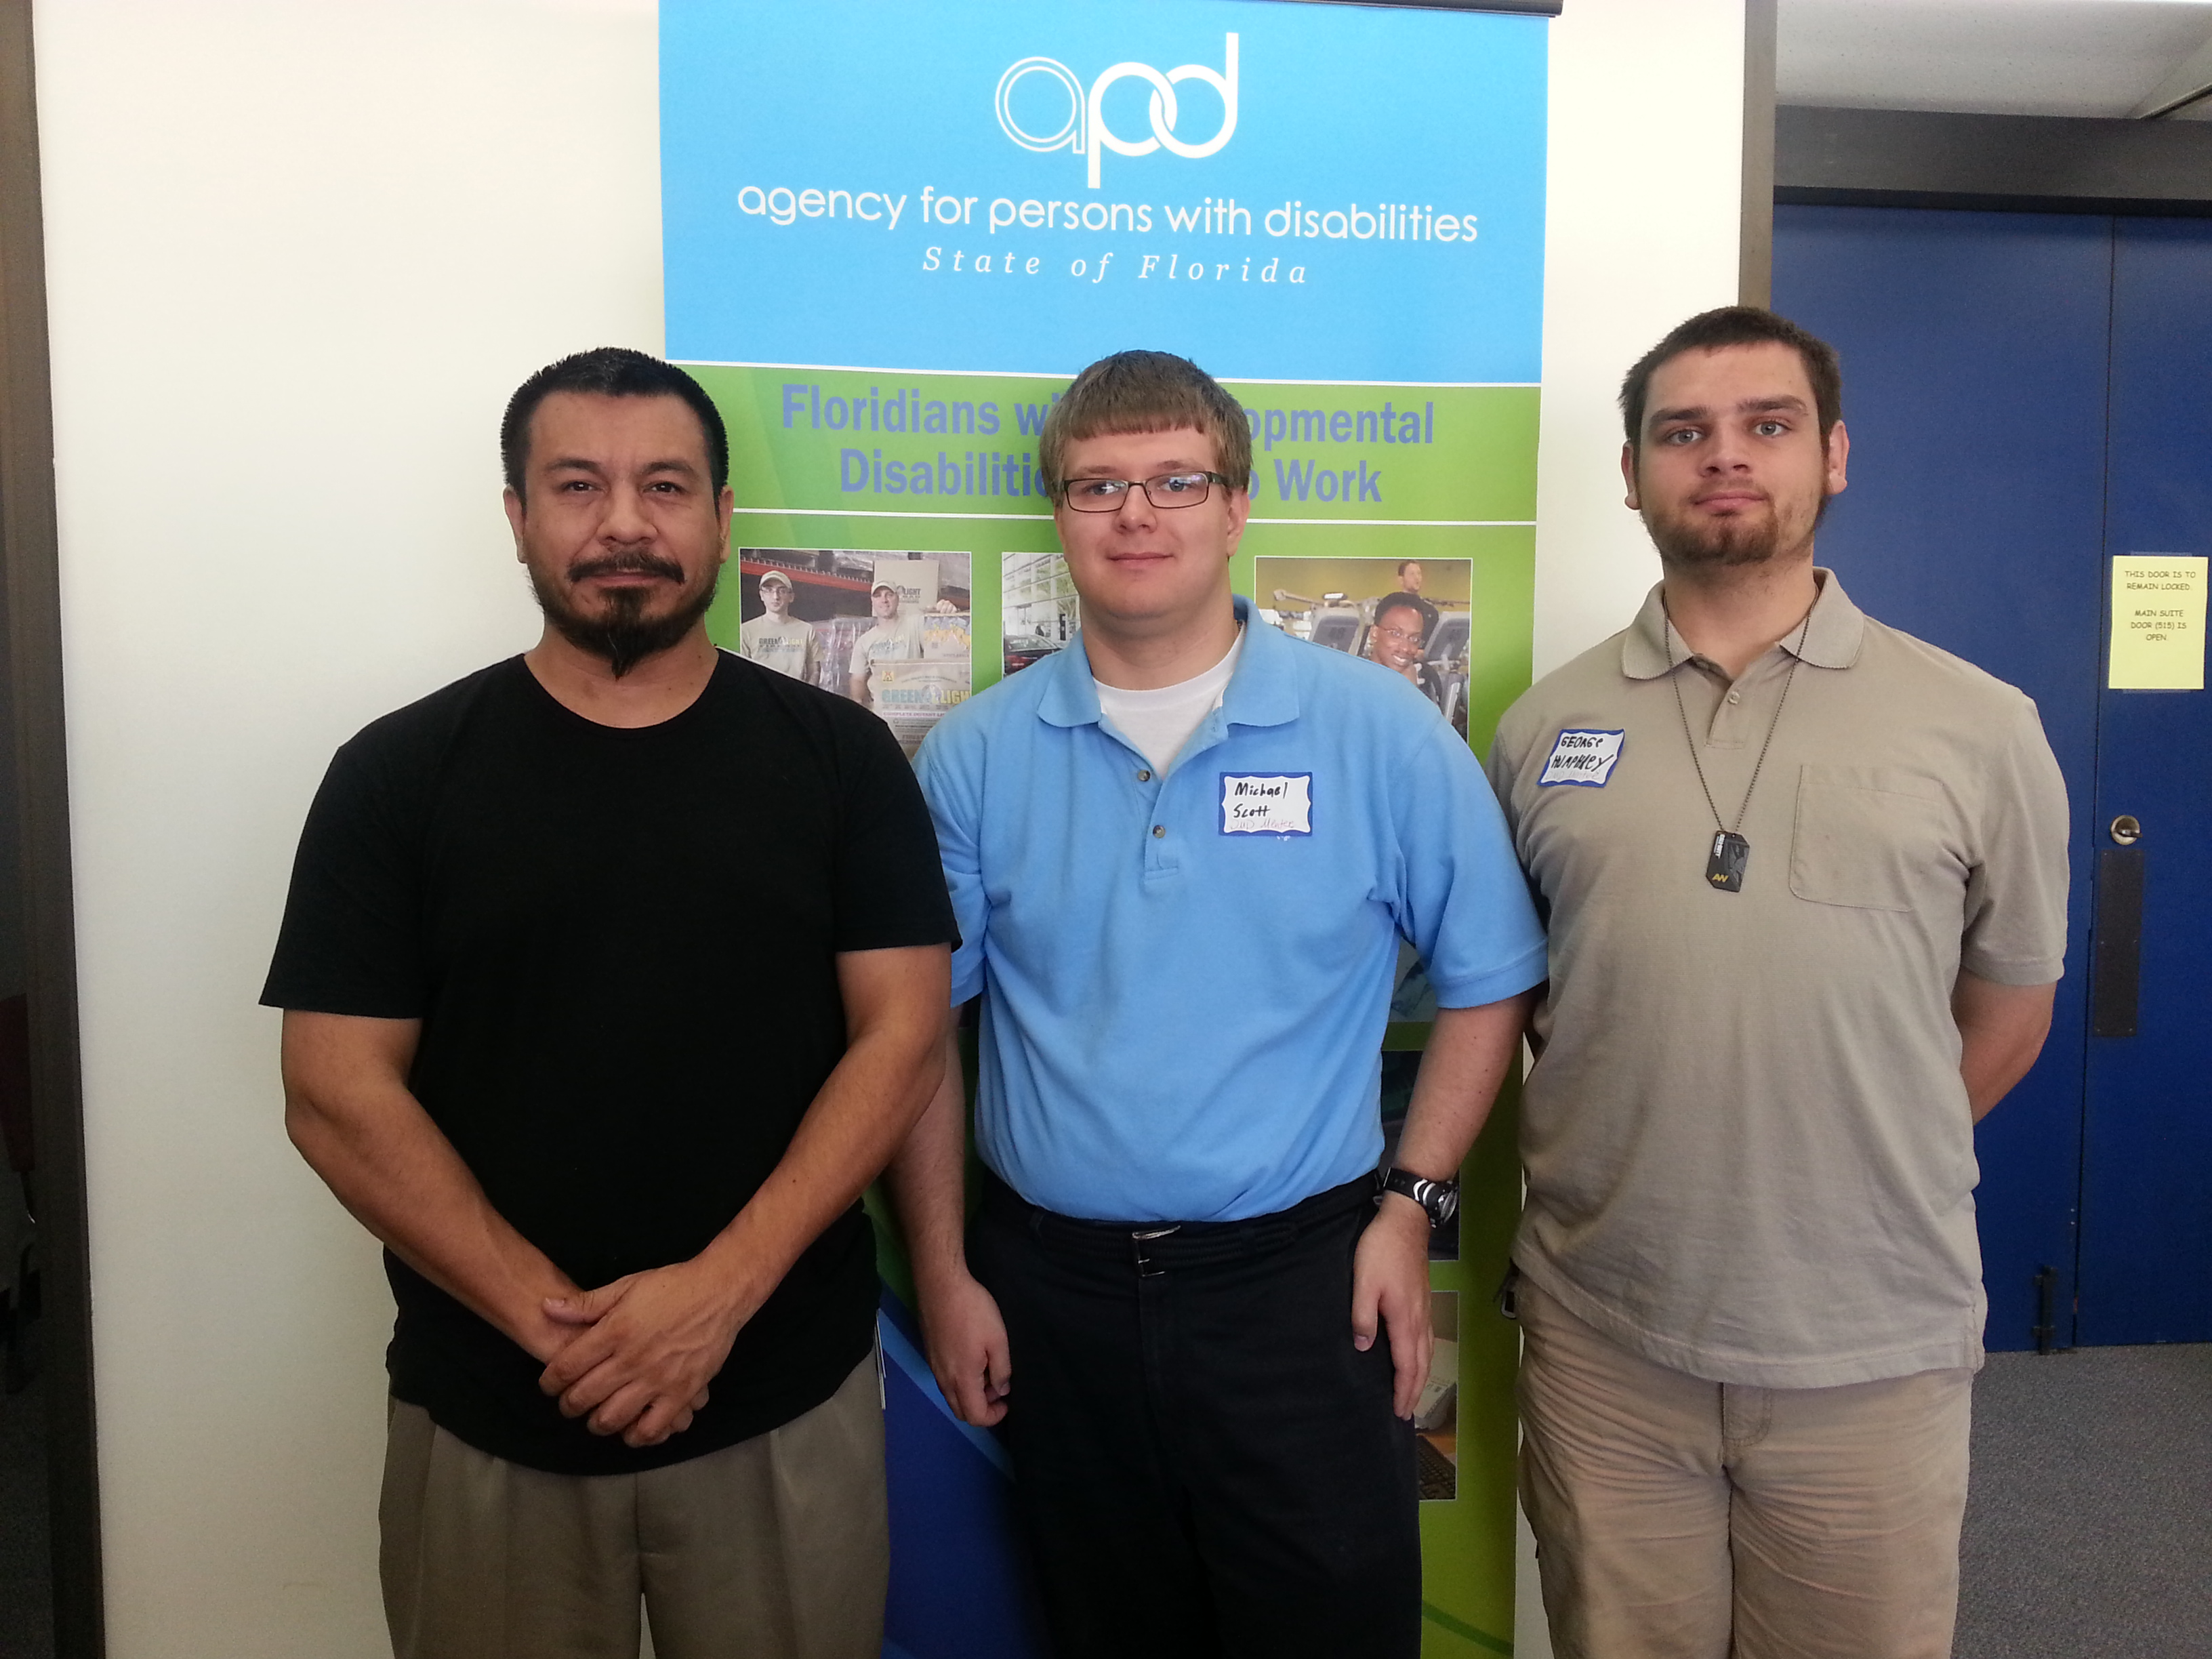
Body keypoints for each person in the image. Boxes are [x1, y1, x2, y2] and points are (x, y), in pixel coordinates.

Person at [262, 346, 955, 1659]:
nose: (625, 524)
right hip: (492, 1410)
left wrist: (716, 1297)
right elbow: (334, 1093)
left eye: (665, 487)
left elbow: (905, 1034)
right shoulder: (399, 776)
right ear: (518, 516)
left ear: (722, 517)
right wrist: (559, 1326)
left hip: (780, 1403)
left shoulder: (838, 764)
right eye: (578, 487)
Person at [889, 349, 1547, 1659]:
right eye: (1098, 486)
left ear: (1236, 506)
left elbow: (1490, 977)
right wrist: (944, 1266)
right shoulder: (974, 752)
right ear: (1058, 513)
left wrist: (1408, 1208)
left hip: (1302, 1290)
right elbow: (918, 1041)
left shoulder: (1378, 731)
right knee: (1101, 1630)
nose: (1137, 513)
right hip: (1050, 1300)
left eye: (1175, 479)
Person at [1486, 307, 2068, 1659]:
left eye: (1768, 425)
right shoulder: (1542, 728)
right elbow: (1519, 1005)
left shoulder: (1979, 727)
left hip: (1870, 1345)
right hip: (1604, 1344)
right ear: (1631, 474)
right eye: (1682, 433)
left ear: (1836, 456)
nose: (1724, 458)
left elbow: (2012, 1013)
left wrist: (1847, 1161)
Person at [1368, 590, 1464, 738]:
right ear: (1374, 633)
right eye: (1395, 634)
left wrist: (1412, 693)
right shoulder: (1355, 684)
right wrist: (1405, 695)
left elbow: (1430, 741)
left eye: (1414, 639)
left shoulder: (1427, 680)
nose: (1406, 648)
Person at [846, 579, 922, 708]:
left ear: (897, 598)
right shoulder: (864, 642)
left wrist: (944, 609)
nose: (884, 600)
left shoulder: (915, 624)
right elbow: (858, 679)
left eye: (889, 595)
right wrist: (859, 707)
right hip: (882, 711)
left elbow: (938, 630)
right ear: (872, 601)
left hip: (914, 707)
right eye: (878, 596)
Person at [737, 566, 819, 682]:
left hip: (795, 697)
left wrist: (806, 698)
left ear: (791, 597)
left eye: (782, 590)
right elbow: (742, 672)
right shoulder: (746, 631)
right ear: (761, 595)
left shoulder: (807, 630)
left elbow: (814, 670)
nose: (775, 597)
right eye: (769, 590)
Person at [1392, 559, 1439, 644]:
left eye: (1419, 574)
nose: (1417, 578)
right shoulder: (1392, 608)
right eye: (1412, 574)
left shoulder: (1430, 611)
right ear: (1401, 580)